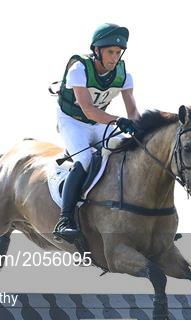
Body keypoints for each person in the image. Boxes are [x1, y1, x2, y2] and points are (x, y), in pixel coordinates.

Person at [53, 23, 141, 243]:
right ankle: (65, 220)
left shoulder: (124, 75)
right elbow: (88, 110)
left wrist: (140, 131)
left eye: (118, 53)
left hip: (99, 122)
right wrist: (118, 121)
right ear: (97, 51)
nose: (114, 57)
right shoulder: (79, 69)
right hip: (72, 121)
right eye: (110, 52)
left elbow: (132, 111)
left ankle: (141, 216)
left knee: (129, 153)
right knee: (84, 159)